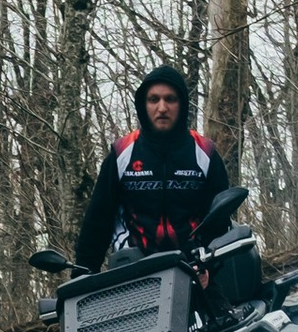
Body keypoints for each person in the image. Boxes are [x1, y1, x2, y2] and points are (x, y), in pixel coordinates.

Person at [76, 63, 238, 270]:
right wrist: (82, 277)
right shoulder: (121, 154)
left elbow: (218, 224)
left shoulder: (205, 153)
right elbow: (97, 223)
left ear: (182, 104)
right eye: (154, 99)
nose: (162, 108)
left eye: (170, 99)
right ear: (143, 105)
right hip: (131, 275)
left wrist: (209, 268)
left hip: (194, 273)